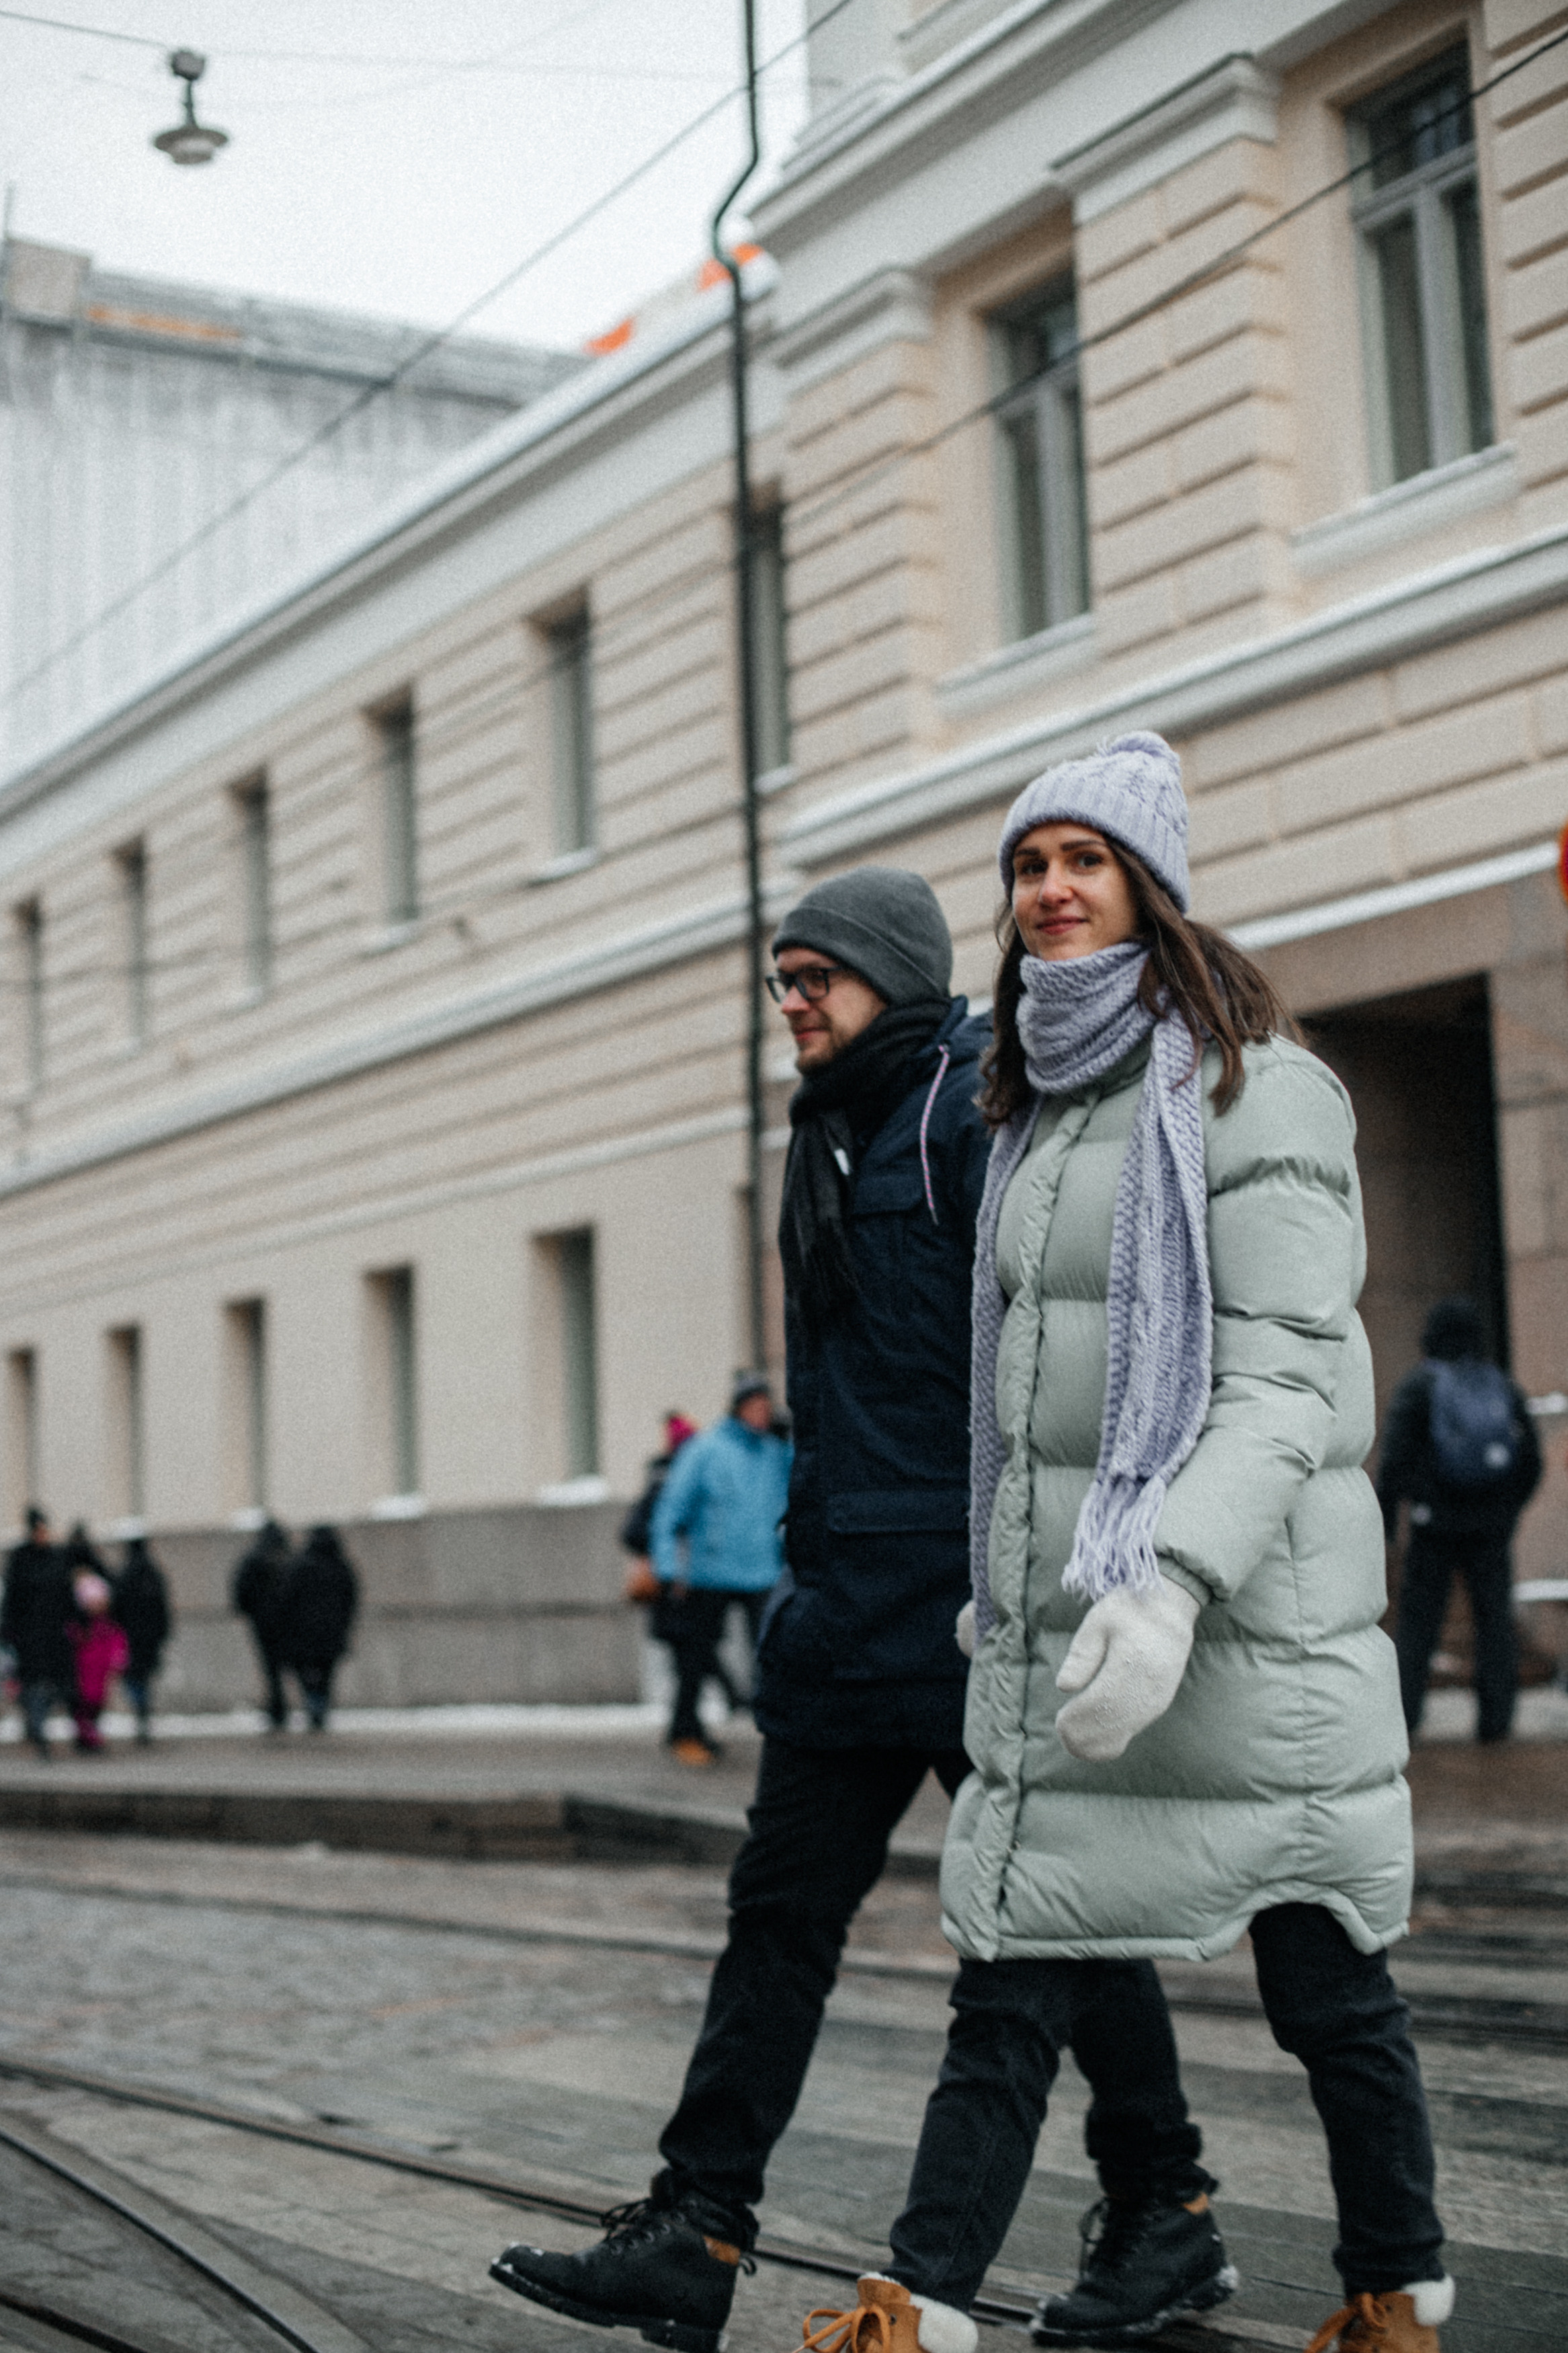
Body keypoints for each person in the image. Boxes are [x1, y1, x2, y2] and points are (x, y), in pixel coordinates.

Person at [780, 736, 1453, 2353]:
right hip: (1078, 1628)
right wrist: (1018, 1600)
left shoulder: (1260, 1088)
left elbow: (1289, 1380)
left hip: (1241, 1629)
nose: (1052, 891)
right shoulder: (1033, 1108)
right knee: (1011, 1956)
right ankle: (919, 2305)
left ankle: (1396, 2294)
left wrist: (1170, 1584)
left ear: (1150, 885)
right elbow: (1018, 1399)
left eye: (1084, 860)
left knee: (1321, 1979)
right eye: (1028, 868)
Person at [492, 864, 1216, 2351]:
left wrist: (1070, 1567)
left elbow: (1038, 1358)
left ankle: (1165, 2212)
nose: (792, 1002)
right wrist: (803, 1571)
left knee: (1057, 1921)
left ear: (893, 971)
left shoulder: (967, 1110)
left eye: (813, 974)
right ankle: (693, 2228)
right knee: (775, 1920)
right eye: (780, 979)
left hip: (960, 1608)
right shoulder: (822, 1133)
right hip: (841, 1610)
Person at [1378, 1295, 1542, 1746]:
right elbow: (1529, 1461)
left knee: (1417, 1625)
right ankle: (1495, 1722)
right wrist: (1506, 1511)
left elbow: (1392, 1464)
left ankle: (1405, 1719)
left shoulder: (1418, 1387)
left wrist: (1390, 1524)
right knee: (1493, 1623)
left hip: (1434, 1528)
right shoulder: (1500, 1387)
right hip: (1490, 1529)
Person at [649, 1375, 791, 1765]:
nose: (762, 1414)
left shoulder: (775, 1452)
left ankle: (783, 1733)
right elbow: (670, 1511)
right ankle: (685, 1728)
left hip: (762, 1572)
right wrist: (667, 1568)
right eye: (755, 1405)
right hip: (709, 1573)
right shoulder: (706, 1450)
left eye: (767, 1406)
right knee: (697, 1656)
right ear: (739, 1407)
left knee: (773, 1654)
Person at [1, 1508, 73, 1759]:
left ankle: (38, 1725)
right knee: (35, 1685)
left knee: (59, 1687)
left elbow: (66, 1593)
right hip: (29, 1637)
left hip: (54, 1634)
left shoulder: (56, 1556)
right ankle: (39, 1734)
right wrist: (10, 1633)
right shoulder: (20, 1559)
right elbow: (12, 1600)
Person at [280, 1525, 359, 1731]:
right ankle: (320, 1706)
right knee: (326, 1674)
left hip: (305, 1633)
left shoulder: (300, 1566)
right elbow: (351, 1599)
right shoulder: (340, 1566)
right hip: (332, 1632)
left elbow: (287, 1599)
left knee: (307, 1674)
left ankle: (314, 1705)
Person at [231, 1519, 293, 1730]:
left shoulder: (254, 1558)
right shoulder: (288, 1557)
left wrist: (250, 1611)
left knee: (271, 1668)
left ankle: (278, 1708)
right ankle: (285, 1707)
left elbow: (241, 1589)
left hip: (263, 1622)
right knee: (286, 1665)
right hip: (286, 1621)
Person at [113, 1535, 173, 1744]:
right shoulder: (153, 1573)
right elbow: (163, 1607)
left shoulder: (125, 1574)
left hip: (132, 1637)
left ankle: (141, 1714)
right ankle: (144, 1714)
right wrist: (164, 1632)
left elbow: (117, 1608)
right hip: (150, 1637)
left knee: (135, 1678)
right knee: (144, 1677)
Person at [68, 1568, 128, 1752]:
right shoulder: (80, 1627)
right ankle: (89, 1737)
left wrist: (118, 1659)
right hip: (84, 1672)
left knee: (95, 1706)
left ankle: (88, 1736)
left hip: (100, 1673)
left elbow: (118, 1642)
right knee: (84, 1708)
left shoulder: (108, 1625)